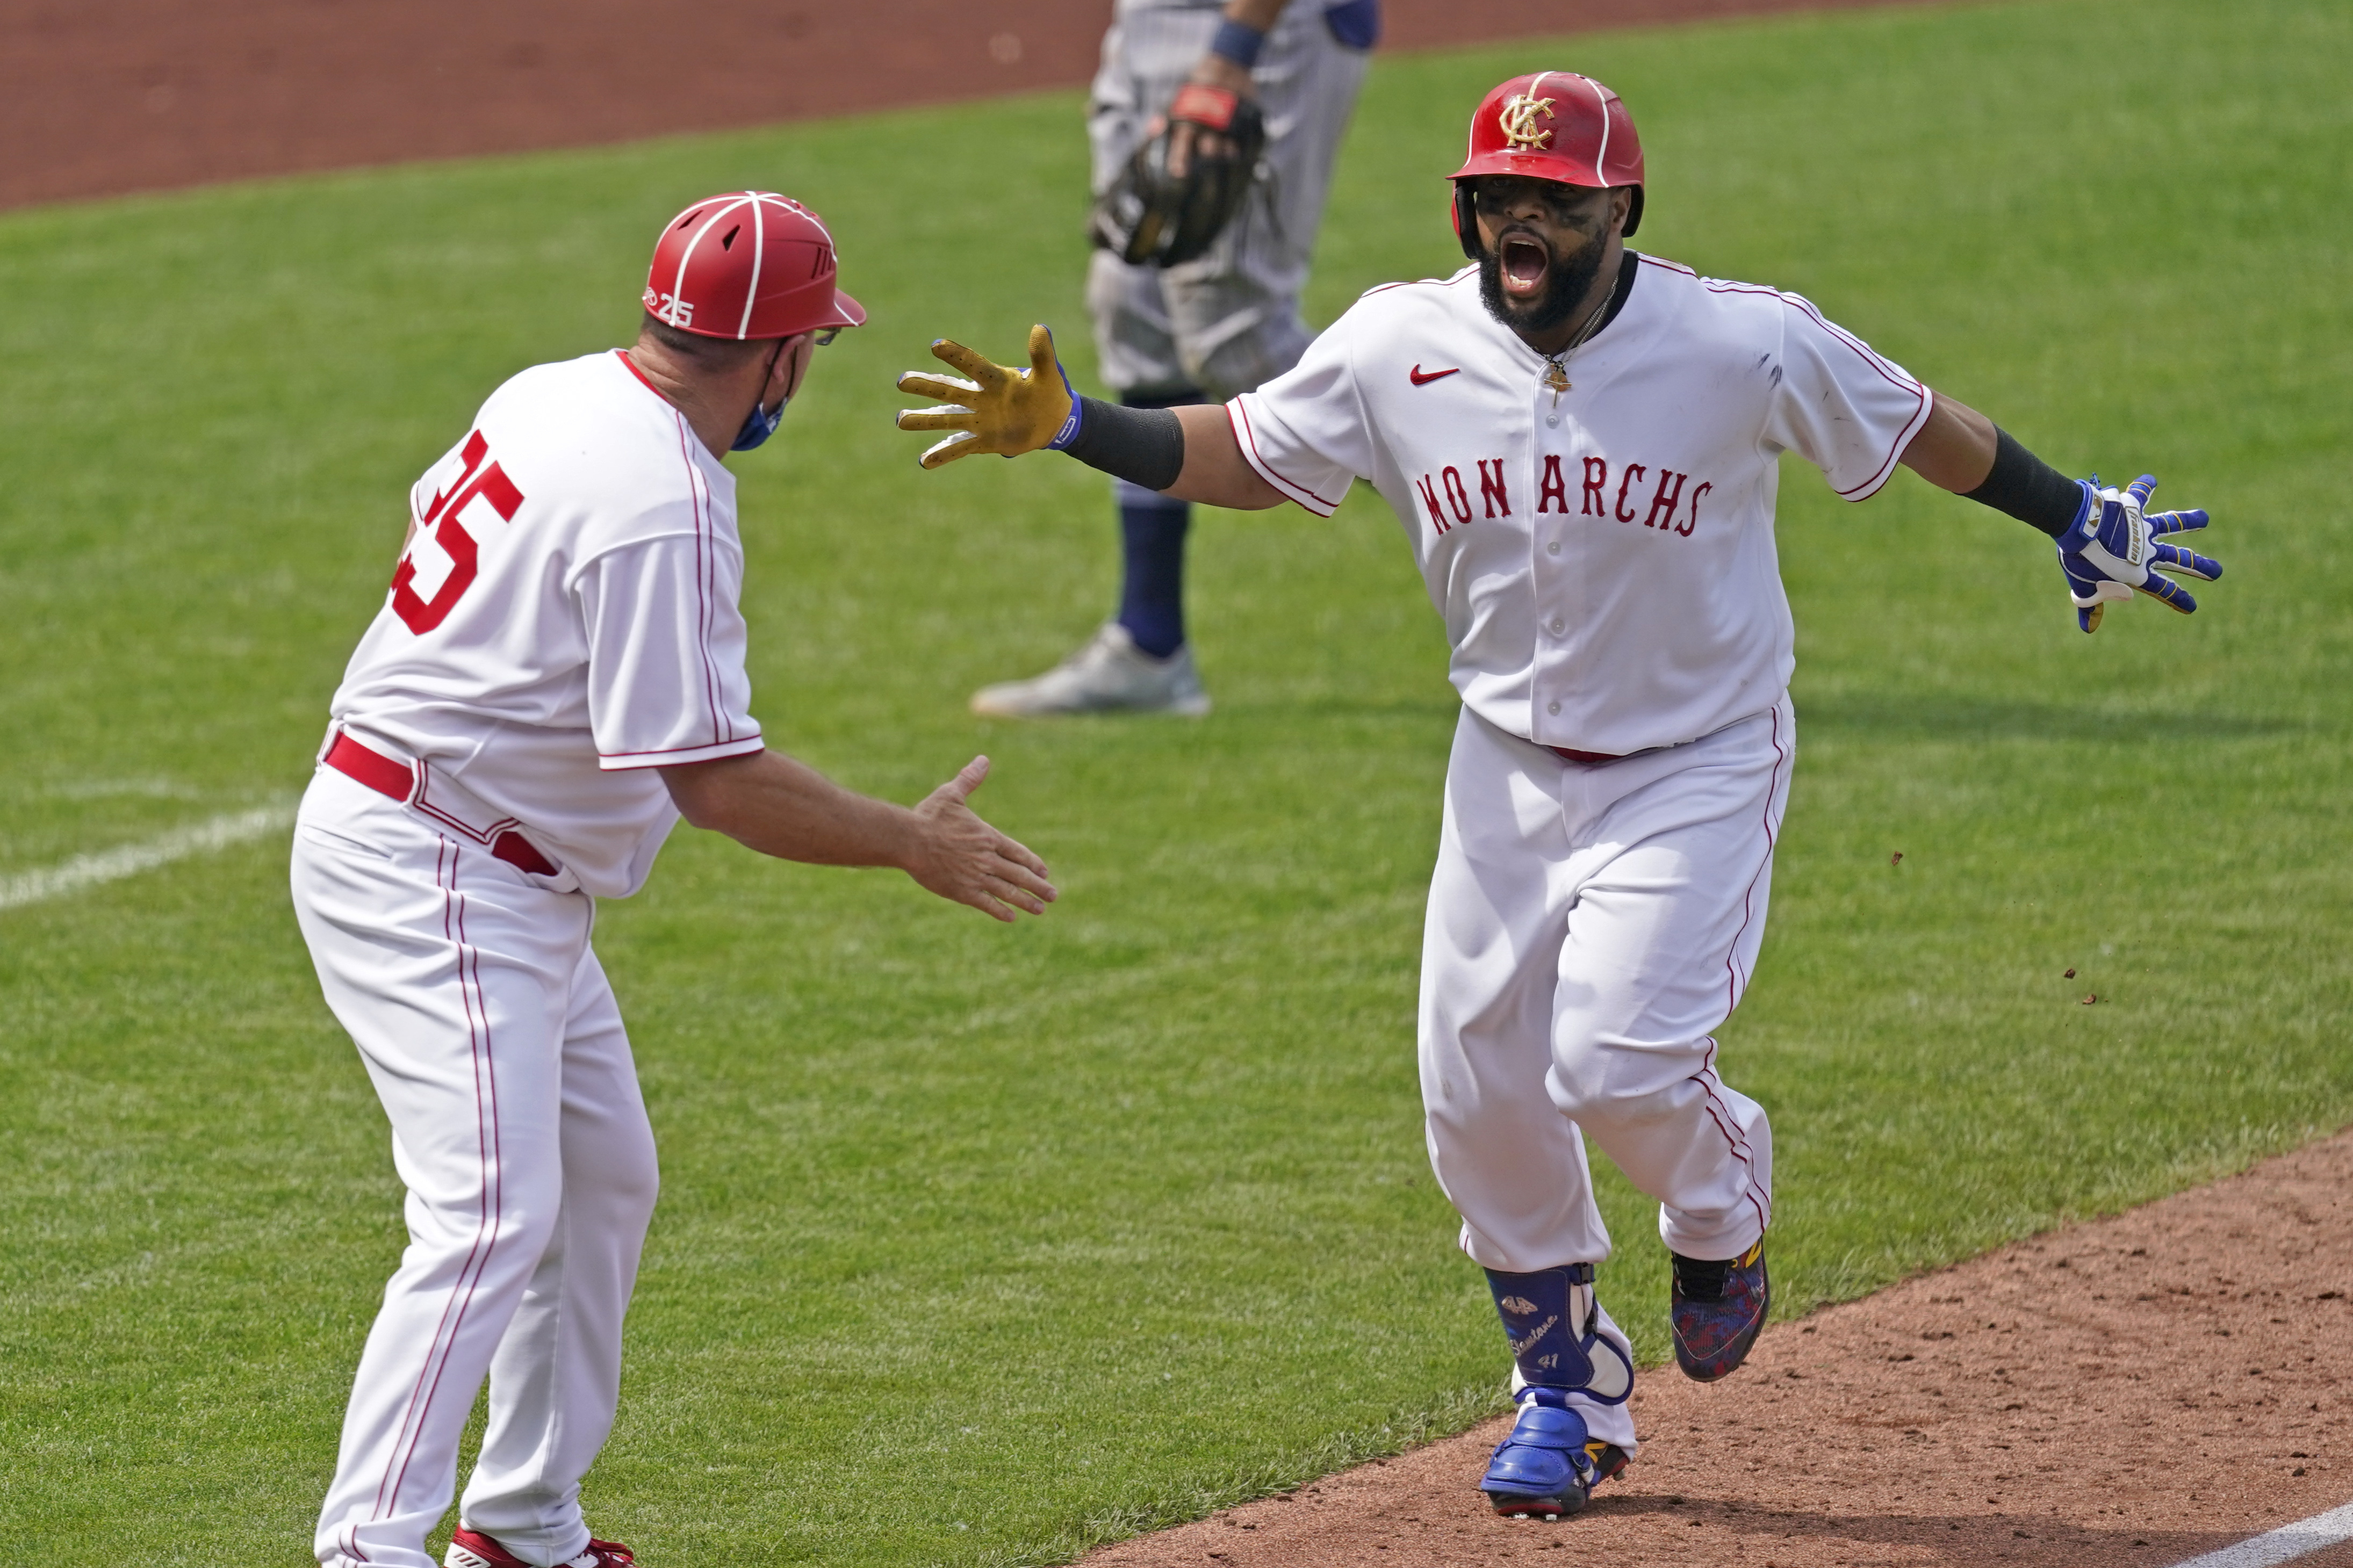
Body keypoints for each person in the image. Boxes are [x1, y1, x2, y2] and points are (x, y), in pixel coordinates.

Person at [894, 73, 2219, 1518]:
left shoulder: (1740, 342)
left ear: (1617, 212)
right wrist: (1080, 423)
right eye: (1498, 198)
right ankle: (1564, 1389)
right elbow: (1248, 454)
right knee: (1469, 1089)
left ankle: (1720, 1207)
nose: (1522, 222)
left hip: (1696, 761)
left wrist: (2072, 513)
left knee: (1614, 1065)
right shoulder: (1402, 341)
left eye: (1556, 201)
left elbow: (1914, 427)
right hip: (1504, 764)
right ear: (1465, 210)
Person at [293, 191, 1056, 1568]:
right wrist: (909, 838)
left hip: (481, 846)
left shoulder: (551, 390)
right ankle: (368, 1548)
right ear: (778, 357)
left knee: (601, 1180)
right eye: (810, 346)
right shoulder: (669, 499)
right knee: (486, 1212)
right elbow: (713, 781)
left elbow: (437, 518)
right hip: (438, 863)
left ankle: (524, 1523)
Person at [966, 0, 1377, 718]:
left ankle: (1518, 497)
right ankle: (1150, 645)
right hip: (1153, 18)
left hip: (1256, 27)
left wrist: (1235, 44)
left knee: (1236, 331)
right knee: (1135, 302)